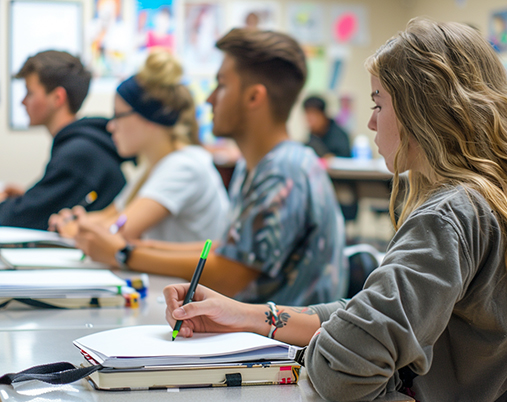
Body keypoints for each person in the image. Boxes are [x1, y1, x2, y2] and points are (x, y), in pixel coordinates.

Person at [162, 19, 507, 402]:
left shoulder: (449, 216)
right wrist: (249, 317)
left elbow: (343, 372)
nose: (369, 122)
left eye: (378, 104)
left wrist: (342, 342)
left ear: (423, 112)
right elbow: (367, 314)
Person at [73, 29, 347, 306]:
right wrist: (143, 247)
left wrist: (124, 254)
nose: (209, 99)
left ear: (254, 98)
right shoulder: (253, 166)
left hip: (278, 347)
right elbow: (227, 251)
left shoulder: (283, 171)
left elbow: (228, 275)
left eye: (221, 85)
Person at [49, 48, 229, 245]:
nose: (111, 125)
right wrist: (75, 221)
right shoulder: (154, 166)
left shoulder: (184, 166)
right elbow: (113, 215)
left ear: (149, 118)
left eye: (119, 116)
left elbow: (118, 231)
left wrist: (77, 229)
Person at [0, 50, 126, 231]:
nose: (22, 102)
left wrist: (5, 203)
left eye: (30, 93)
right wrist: (27, 197)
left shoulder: (78, 154)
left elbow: (24, 217)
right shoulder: (83, 144)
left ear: (58, 98)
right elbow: (48, 202)